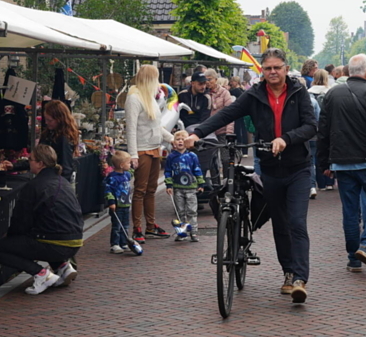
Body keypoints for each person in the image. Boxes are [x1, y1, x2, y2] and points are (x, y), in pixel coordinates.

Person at [187, 48, 317, 304]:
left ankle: (301, 278)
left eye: (277, 67)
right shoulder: (255, 95)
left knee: (296, 222)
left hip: (297, 168)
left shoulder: (299, 92)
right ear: (262, 70)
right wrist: (198, 133)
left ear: (285, 68)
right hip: (269, 168)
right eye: (267, 68)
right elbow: (226, 114)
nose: (272, 72)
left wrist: (286, 139)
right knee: (280, 223)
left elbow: (311, 126)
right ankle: (288, 274)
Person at [317, 54, 366, 274]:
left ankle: (353, 258)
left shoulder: (332, 94)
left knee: (350, 211)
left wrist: (324, 162)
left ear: (348, 72)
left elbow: (323, 132)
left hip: (341, 163)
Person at [0, 144, 83, 295]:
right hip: (75, 241)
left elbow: (20, 220)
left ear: (40, 163)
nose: (29, 162)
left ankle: (41, 274)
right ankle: (63, 267)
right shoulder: (63, 181)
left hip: (56, 243)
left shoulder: (34, 185)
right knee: (43, 235)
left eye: (31, 160)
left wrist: (10, 237)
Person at [125, 64, 174, 243]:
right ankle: (138, 227)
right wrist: (133, 154)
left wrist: (171, 139)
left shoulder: (149, 97)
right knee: (140, 190)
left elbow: (156, 126)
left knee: (150, 189)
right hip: (142, 148)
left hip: (154, 147)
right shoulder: (134, 98)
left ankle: (151, 226)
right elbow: (130, 128)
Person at [2, 99, 81, 184]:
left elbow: (66, 169)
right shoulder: (48, 134)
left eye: (50, 120)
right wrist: (14, 166)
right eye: (46, 119)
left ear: (60, 119)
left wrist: (59, 189)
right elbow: (36, 158)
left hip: (55, 184)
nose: (46, 122)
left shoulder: (63, 138)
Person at [164, 130, 205, 243]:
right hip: (178, 188)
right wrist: (169, 185)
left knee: (192, 211)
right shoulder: (171, 157)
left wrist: (201, 183)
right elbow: (168, 171)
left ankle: (194, 232)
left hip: (191, 188)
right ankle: (182, 231)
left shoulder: (192, 156)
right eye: (178, 139)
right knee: (180, 211)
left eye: (183, 139)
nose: (180, 141)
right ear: (174, 142)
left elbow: (197, 169)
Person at [104, 151, 134, 253]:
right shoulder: (113, 177)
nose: (130, 165)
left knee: (125, 225)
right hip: (117, 205)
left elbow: (132, 173)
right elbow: (108, 190)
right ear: (121, 165)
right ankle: (115, 244)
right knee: (117, 225)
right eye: (129, 163)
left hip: (126, 204)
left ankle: (124, 242)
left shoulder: (126, 174)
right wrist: (111, 202)